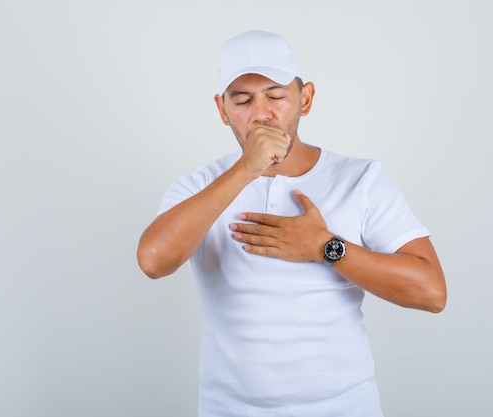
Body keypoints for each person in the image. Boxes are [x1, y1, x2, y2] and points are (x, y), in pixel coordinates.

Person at [137, 29, 446, 417]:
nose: (261, 113)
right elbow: (152, 260)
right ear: (222, 110)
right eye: (242, 100)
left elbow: (432, 292)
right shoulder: (203, 185)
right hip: (228, 409)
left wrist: (326, 248)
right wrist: (245, 171)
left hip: (344, 407)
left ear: (306, 98)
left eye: (277, 95)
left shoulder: (360, 178)